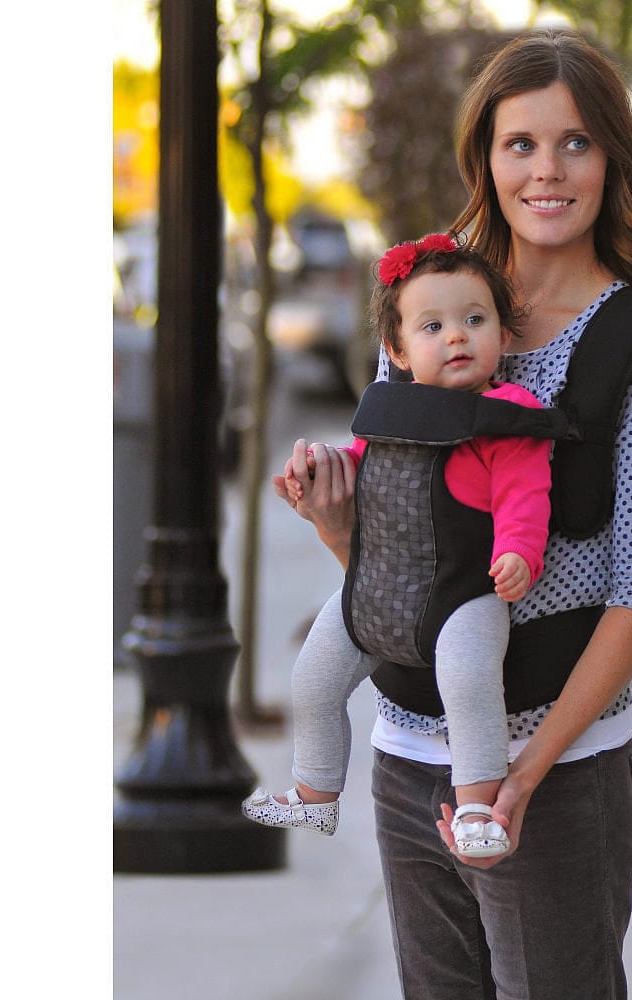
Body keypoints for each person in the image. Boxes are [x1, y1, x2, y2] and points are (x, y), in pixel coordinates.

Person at [274, 27, 632, 1000]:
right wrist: (334, 519)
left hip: (559, 771)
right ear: (486, 158)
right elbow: (398, 557)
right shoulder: (430, 306)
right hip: (406, 752)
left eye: (575, 142)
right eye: (521, 144)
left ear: (611, 160)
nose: (546, 170)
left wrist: (521, 777)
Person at [244, 233, 559, 858]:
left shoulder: (504, 417)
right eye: (433, 326)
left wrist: (520, 552)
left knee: (469, 682)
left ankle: (478, 809)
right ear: (398, 350)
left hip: (463, 595)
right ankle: (314, 794)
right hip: (377, 589)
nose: (457, 337)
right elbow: (364, 465)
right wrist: (319, 472)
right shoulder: (391, 410)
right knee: (314, 676)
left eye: (475, 320)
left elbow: (526, 495)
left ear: (503, 334)